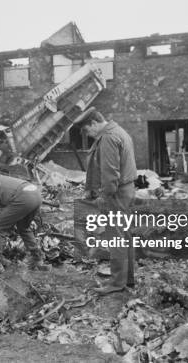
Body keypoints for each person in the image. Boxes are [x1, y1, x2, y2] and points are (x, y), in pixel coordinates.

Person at [79, 110, 137, 295]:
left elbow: (110, 174)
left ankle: (117, 283)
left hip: (116, 194)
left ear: (95, 122)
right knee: (124, 235)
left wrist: (104, 197)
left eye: (88, 131)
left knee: (116, 237)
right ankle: (127, 278)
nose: (89, 135)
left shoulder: (108, 138)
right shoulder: (120, 132)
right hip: (126, 190)